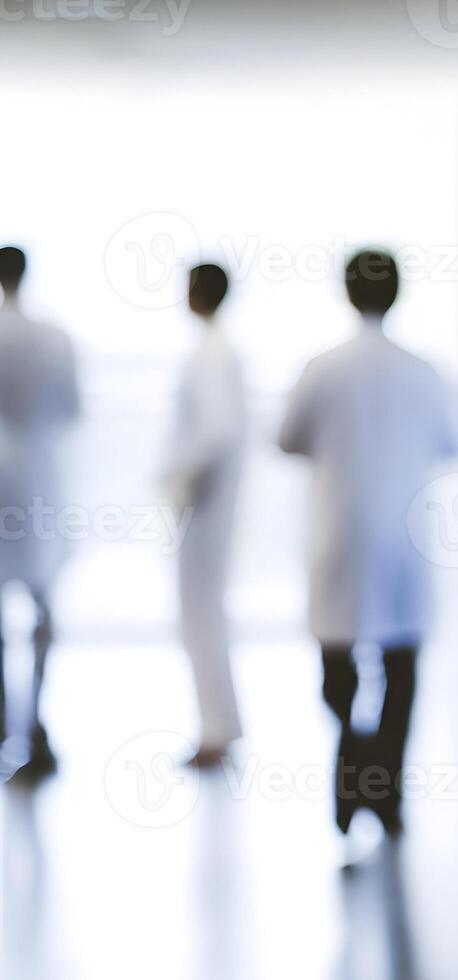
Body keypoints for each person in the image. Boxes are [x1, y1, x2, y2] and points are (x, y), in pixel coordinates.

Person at [278, 250, 455, 836]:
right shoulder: (423, 370)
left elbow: (287, 439)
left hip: (340, 533)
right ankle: (384, 786)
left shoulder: (321, 368)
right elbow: (455, 440)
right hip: (404, 539)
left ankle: (354, 761)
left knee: (337, 670)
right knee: (401, 671)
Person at [0, 245, 81, 778]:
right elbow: (73, 409)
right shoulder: (53, 337)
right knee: (42, 603)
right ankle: (35, 725)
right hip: (38, 475)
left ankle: (7, 720)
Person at [164, 263, 247, 768]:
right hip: (209, 504)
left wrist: (179, 477)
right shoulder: (216, 351)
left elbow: (217, 431)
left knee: (200, 615)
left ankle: (215, 730)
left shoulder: (212, 356)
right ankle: (219, 724)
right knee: (205, 613)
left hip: (204, 505)